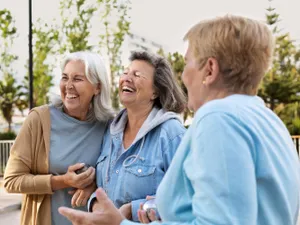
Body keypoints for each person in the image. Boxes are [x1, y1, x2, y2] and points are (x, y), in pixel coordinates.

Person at [59, 15, 300, 225]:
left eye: (187, 63)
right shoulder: (268, 120)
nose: (182, 75)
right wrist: (139, 208)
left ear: (210, 70)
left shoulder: (218, 119)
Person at [4, 51, 114, 225]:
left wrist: (94, 186)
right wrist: (62, 181)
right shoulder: (39, 119)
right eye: (65, 78)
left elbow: (119, 177)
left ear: (97, 87)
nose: (68, 86)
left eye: (77, 79)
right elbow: (11, 181)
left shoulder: (110, 125)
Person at [87, 51, 187, 222]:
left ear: (155, 91)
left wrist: (131, 210)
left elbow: (185, 196)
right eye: (126, 72)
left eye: (137, 75)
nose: (127, 78)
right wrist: (95, 203)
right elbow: (100, 187)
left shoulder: (171, 133)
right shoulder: (110, 131)